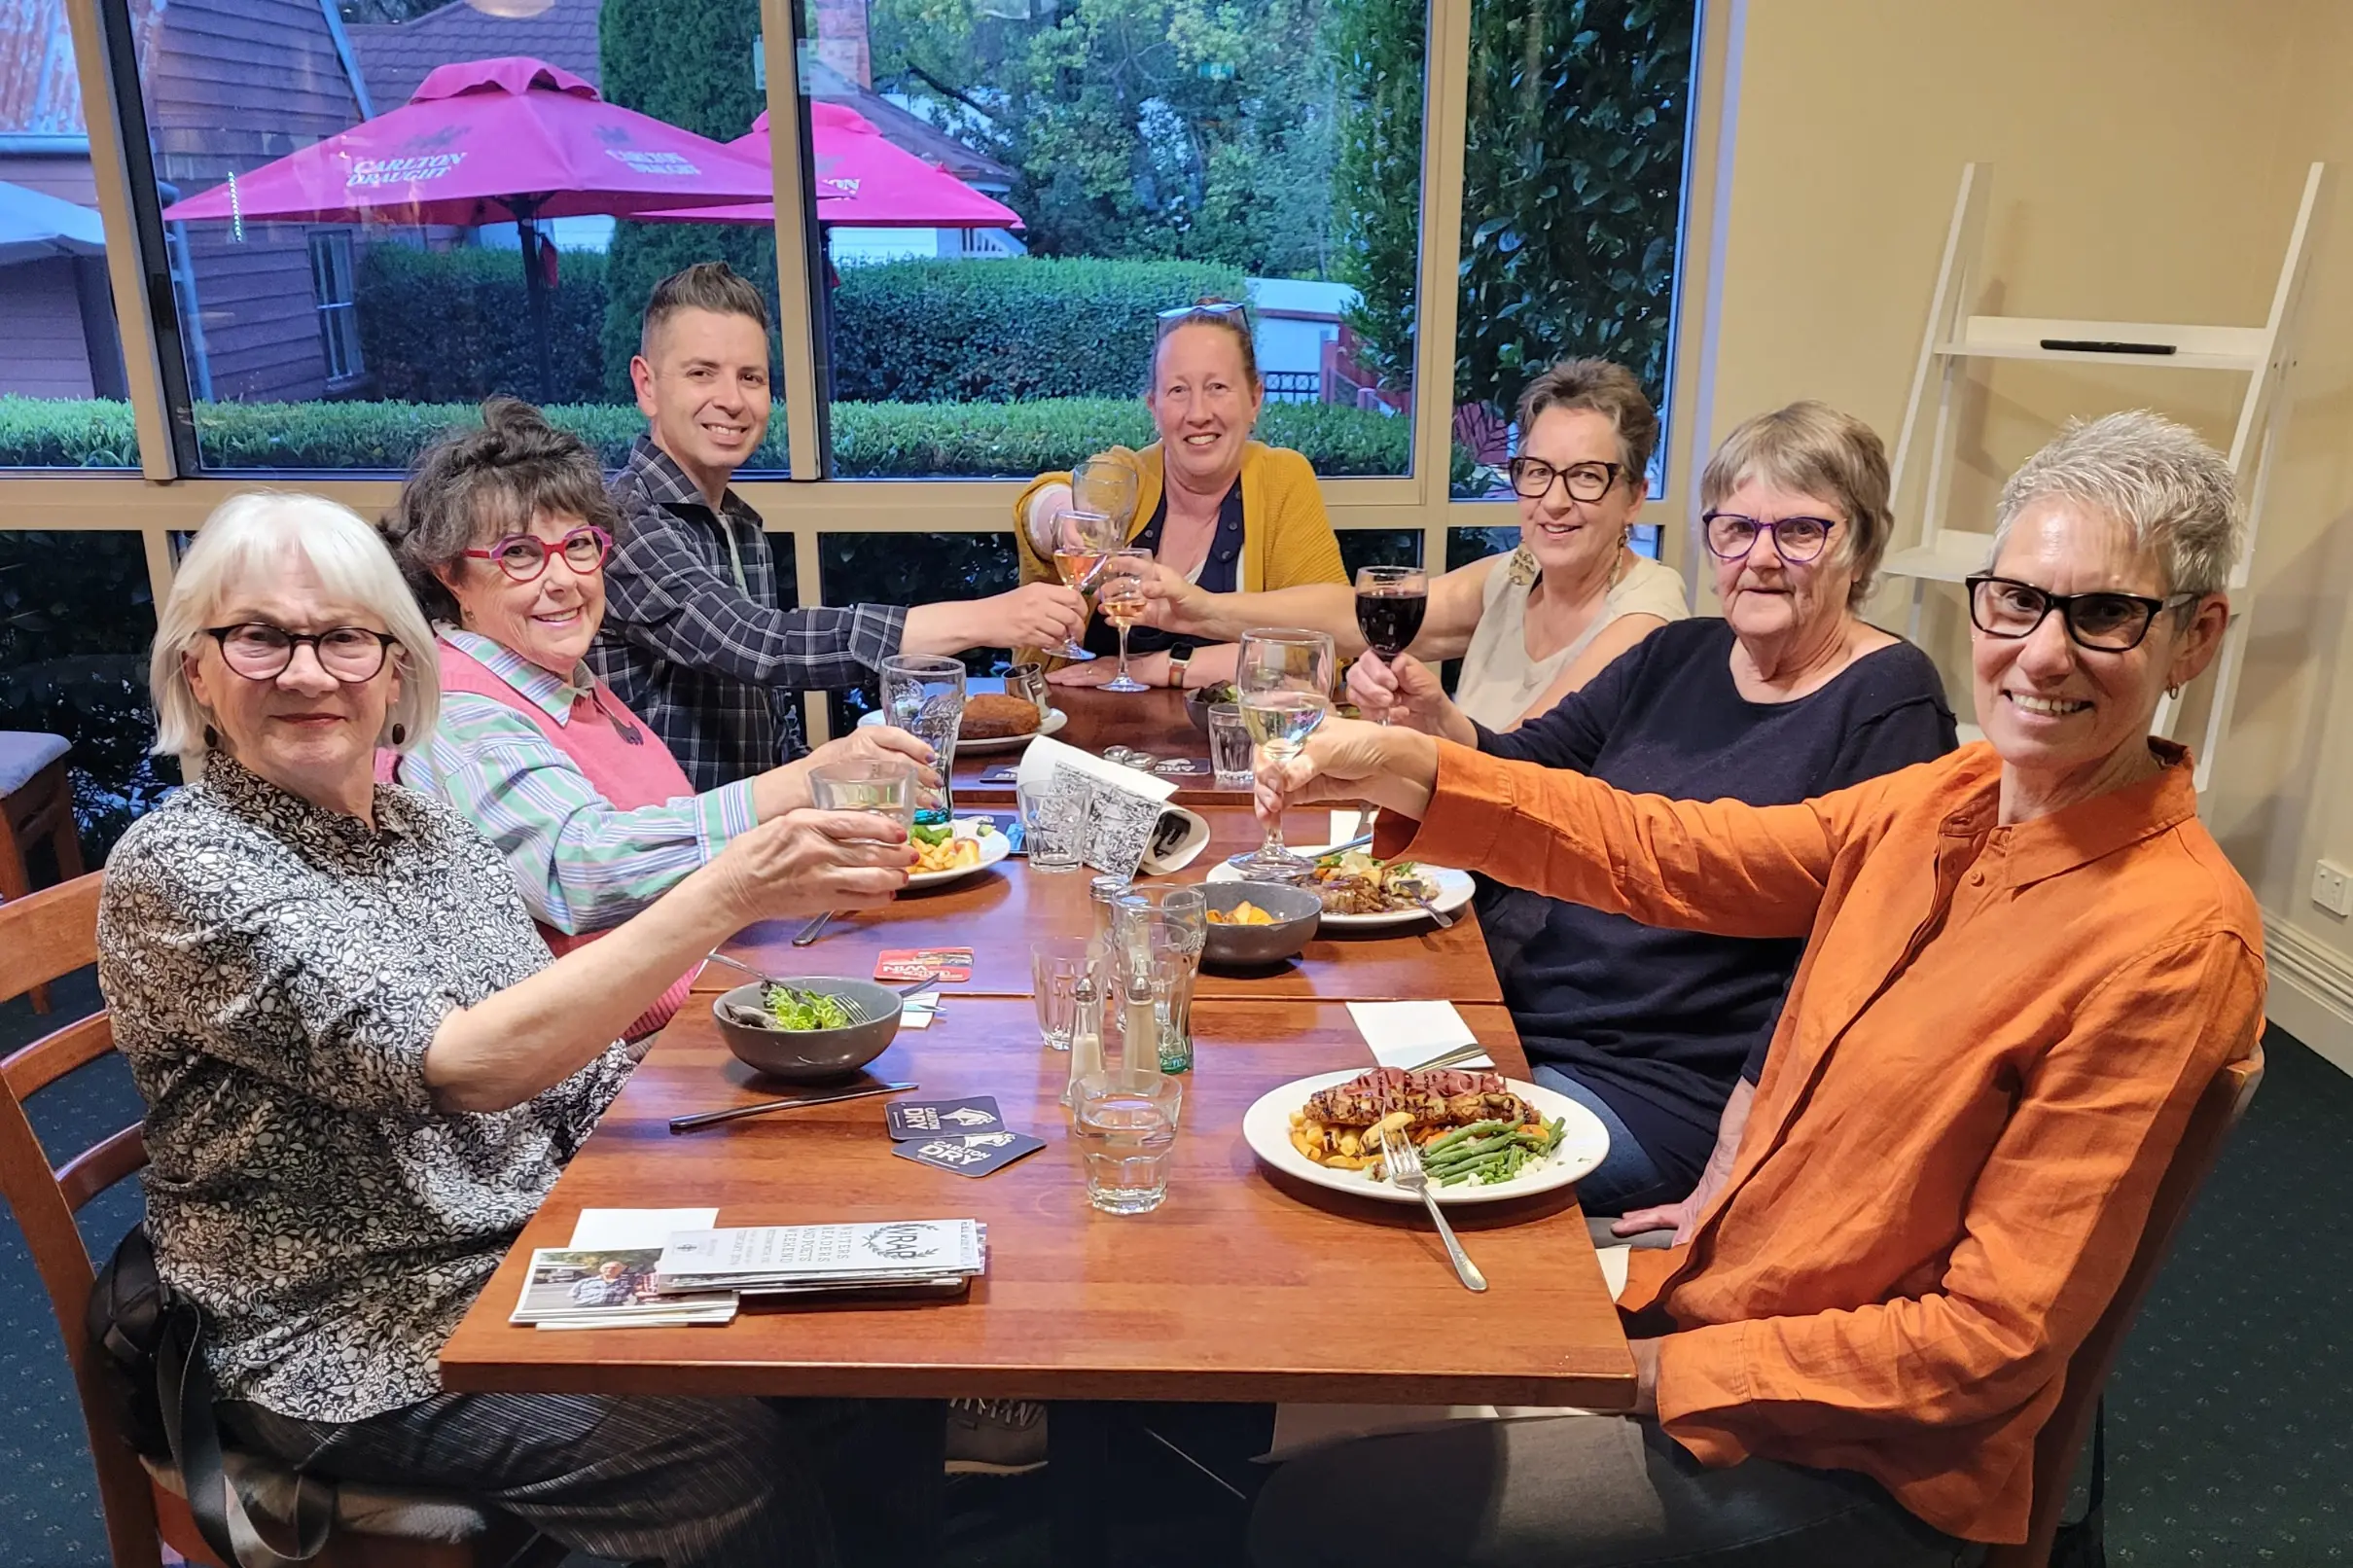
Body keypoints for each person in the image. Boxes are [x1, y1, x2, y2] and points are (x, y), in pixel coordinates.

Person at [1247, 410, 2265, 1567]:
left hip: (1849, 1451)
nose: (2040, 653)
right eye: (2018, 600)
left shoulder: (2171, 940)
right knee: (1320, 1327)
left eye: (2105, 614)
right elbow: (1669, 850)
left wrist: (1644, 1372)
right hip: (1723, 1293)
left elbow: (1983, 1345)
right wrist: (1412, 761)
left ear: (2194, 636)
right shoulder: (1948, 795)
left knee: (1326, 1511)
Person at [97, 491, 936, 1567]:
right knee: (718, 1457)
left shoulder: (424, 829)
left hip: (525, 1246)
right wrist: (727, 890)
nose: (308, 674)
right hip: (339, 1327)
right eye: (260, 637)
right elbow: (462, 1066)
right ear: (197, 670)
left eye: (346, 637)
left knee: (867, 1330)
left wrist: (767, 1138)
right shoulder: (188, 865)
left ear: (395, 666)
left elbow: (565, 1073)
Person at [1357, 403, 1955, 1214]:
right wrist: (1436, 721)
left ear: (1860, 548)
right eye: (1735, 529)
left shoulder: (1890, 698)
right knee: (1320, 1103)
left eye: (1799, 532)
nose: (1761, 558)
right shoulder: (1678, 652)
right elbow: (1526, 773)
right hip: (1521, 1012)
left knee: (1391, 1178)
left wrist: (1741, 1155)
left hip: (1662, 1084)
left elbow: (1852, 959)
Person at [378, 397, 935, 1040]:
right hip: (620, 1063)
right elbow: (576, 871)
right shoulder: (464, 713)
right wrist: (798, 785)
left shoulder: (557, 679)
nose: (562, 580)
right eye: (520, 554)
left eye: (579, 545)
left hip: (711, 993)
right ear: (450, 574)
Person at [590, 261, 1089, 789]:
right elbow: (760, 644)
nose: (732, 400)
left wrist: (848, 788)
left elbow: (768, 732)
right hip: (679, 834)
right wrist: (987, 618)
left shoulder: (739, 526)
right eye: (701, 373)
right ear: (646, 385)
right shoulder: (621, 523)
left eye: (750, 377)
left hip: (762, 826)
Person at [1137, 358, 1688, 726]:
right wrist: (1199, 610)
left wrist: (1424, 723)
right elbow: (1356, 618)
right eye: (1538, 472)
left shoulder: (1645, 616)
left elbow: (1526, 769)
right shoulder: (1518, 574)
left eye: (1586, 476)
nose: (1555, 501)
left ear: (1634, 497)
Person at [1011, 299, 1348, 689]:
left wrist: (1164, 667)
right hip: (1084, 721)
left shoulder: (1280, 478)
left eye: (1217, 387)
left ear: (1255, 399)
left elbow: (1323, 651)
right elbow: (1040, 500)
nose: (1198, 413)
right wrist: (1060, 517)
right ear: (1154, 407)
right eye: (1177, 390)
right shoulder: (1128, 476)